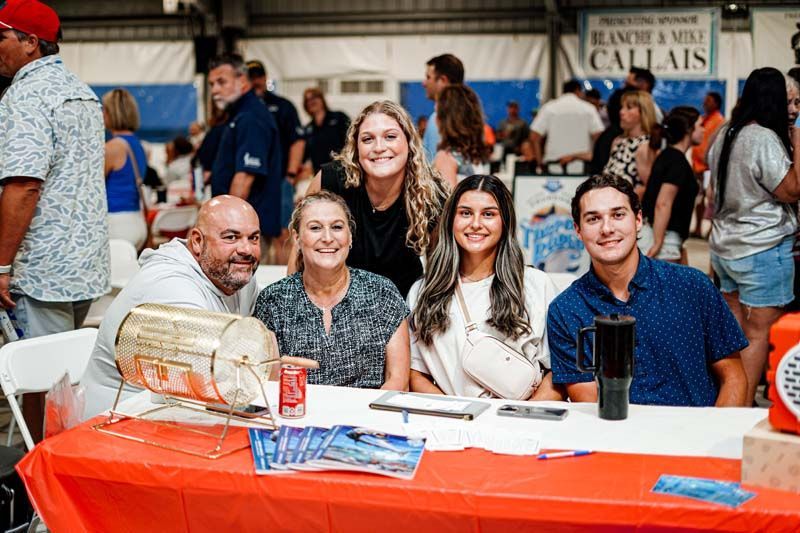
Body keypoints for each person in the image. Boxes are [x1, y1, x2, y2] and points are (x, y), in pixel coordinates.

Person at [0, 0, 109, 441]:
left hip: (41, 268)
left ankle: (45, 483)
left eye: (1, 38)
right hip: (83, 264)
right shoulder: (83, 93)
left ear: (30, 42)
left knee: (40, 380)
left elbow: (24, 186)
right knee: (60, 375)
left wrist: (2, 264)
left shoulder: (25, 96)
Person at [547, 174, 748, 407]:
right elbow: (592, 404)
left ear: (638, 220)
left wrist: (715, 437)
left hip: (697, 435)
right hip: (620, 438)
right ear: (578, 230)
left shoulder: (692, 286)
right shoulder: (566, 310)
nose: (607, 228)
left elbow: (733, 376)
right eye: (593, 219)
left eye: (618, 215)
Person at [81, 195, 262, 419]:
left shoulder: (237, 275)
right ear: (197, 241)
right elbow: (213, 375)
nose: (246, 249)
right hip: (117, 418)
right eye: (231, 237)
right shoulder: (171, 285)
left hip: (181, 410)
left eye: (253, 238)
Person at [408, 175, 561, 399]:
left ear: (505, 222)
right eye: (465, 213)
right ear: (451, 220)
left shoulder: (535, 284)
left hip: (519, 422)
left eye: (488, 214)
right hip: (453, 424)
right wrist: (457, 415)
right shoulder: (424, 292)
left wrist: (524, 417)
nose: (476, 223)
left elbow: (557, 371)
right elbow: (415, 373)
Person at [290, 100, 449, 298]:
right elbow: (299, 253)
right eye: (367, 139)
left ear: (409, 143)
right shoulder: (332, 181)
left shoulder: (430, 192)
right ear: (356, 148)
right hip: (336, 303)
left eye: (390, 137)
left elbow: (442, 268)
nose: (379, 147)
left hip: (403, 307)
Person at [708, 67, 800, 406]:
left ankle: (728, 403)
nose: (792, 108)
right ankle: (742, 408)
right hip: (762, 248)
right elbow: (793, 190)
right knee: (759, 334)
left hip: (726, 248)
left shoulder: (724, 133)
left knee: (736, 335)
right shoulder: (762, 138)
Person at [255, 191, 409, 391]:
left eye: (337, 227)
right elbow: (270, 384)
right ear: (297, 239)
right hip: (299, 417)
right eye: (315, 228)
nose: (327, 238)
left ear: (350, 236)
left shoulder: (382, 293)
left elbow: (398, 380)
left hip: (369, 418)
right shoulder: (274, 301)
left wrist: (362, 420)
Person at [208, 53, 282, 262]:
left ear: (242, 81)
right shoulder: (241, 114)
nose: (214, 90)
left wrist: (225, 225)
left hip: (246, 232)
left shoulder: (251, 116)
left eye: (221, 82)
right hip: (241, 230)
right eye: (212, 84)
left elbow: (245, 177)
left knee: (249, 294)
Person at [247, 59, 305, 263]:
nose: (256, 81)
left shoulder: (283, 107)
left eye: (258, 77)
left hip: (279, 181)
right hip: (251, 183)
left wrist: (290, 175)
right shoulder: (242, 109)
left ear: (264, 78)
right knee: (253, 233)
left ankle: (284, 282)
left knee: (284, 234)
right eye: (251, 77)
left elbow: (297, 142)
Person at [640, 107, 702, 263]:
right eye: (700, 125)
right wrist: (659, 241)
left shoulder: (667, 156)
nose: (704, 129)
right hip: (665, 237)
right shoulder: (676, 161)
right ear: (689, 129)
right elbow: (663, 203)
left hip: (663, 235)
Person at [102, 88, 149, 251]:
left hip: (116, 224)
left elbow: (93, 186)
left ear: (111, 113)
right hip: (136, 221)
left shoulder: (112, 148)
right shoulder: (140, 146)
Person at [530, 79, 604, 173]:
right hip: (582, 167)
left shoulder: (549, 108)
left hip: (553, 165)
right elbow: (599, 137)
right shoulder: (588, 109)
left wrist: (540, 163)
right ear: (578, 91)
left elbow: (534, 136)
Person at [603, 90, 658, 199]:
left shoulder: (645, 145)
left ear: (643, 112)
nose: (621, 112)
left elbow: (651, 187)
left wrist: (622, 202)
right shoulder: (618, 142)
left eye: (629, 107)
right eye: (622, 107)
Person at [433, 85, 491, 187]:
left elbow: (447, 201)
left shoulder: (447, 158)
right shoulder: (472, 155)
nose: (435, 119)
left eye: (437, 113)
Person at [690, 91, 725, 238]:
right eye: (705, 100)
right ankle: (697, 227)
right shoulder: (703, 119)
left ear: (716, 103)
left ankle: (712, 230)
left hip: (709, 167)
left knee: (711, 199)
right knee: (698, 199)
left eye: (709, 100)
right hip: (697, 165)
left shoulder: (719, 121)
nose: (705, 103)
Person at [421, 53, 464, 161]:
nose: (424, 83)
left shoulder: (439, 120)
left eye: (428, 77)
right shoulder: (466, 117)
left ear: (442, 81)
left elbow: (435, 172)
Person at [302, 87, 350, 174]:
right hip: (320, 174)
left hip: (342, 170)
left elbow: (352, 139)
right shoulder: (307, 129)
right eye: (307, 100)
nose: (310, 101)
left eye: (313, 97)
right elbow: (303, 155)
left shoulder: (339, 117)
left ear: (321, 99)